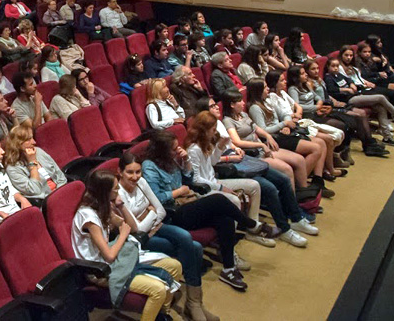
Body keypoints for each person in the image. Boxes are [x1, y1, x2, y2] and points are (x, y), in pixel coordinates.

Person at [141, 130, 270, 291]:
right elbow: (157, 198)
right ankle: (250, 224)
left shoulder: (172, 160)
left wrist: (185, 161)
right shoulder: (149, 166)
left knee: (226, 219)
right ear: (162, 150)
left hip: (188, 202)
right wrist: (178, 192)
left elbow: (189, 180)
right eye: (174, 148)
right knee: (218, 199)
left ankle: (228, 269)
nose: (178, 149)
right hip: (172, 212)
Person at [193, 98, 317, 247]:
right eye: (211, 106)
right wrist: (229, 156)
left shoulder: (217, 123)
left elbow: (230, 144)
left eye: (215, 104)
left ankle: (296, 219)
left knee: (283, 179)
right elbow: (212, 161)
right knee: (269, 188)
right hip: (228, 167)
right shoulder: (204, 133)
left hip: (241, 159)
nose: (216, 107)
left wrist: (235, 148)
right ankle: (285, 229)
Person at [116, 154, 219, 321]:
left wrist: (148, 217)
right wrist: (150, 212)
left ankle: (195, 302)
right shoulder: (117, 193)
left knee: (189, 241)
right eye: (130, 172)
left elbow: (161, 210)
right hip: (141, 239)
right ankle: (192, 304)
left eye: (138, 172)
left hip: (156, 227)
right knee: (194, 248)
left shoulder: (141, 183)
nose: (135, 177)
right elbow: (138, 229)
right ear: (120, 172)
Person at [73, 169, 185, 320]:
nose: (119, 190)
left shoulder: (103, 206)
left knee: (175, 266)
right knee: (158, 290)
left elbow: (132, 227)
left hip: (114, 258)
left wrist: (120, 206)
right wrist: (123, 235)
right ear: (104, 192)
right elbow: (109, 255)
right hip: (100, 269)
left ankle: (161, 315)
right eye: (115, 189)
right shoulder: (88, 216)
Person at [184, 113, 273, 247]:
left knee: (254, 185)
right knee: (234, 200)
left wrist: (220, 146)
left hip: (214, 182)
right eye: (213, 129)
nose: (215, 132)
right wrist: (220, 188)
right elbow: (196, 179)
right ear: (204, 130)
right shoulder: (193, 149)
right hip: (204, 189)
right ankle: (228, 245)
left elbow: (212, 162)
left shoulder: (205, 143)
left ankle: (252, 229)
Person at [248, 76, 333, 196]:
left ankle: (317, 181)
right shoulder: (255, 108)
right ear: (258, 91)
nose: (268, 89)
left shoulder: (267, 100)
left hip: (283, 132)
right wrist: (284, 124)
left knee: (321, 143)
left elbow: (284, 114)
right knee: (315, 148)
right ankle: (301, 187)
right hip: (275, 137)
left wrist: (287, 124)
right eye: (265, 87)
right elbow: (263, 130)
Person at [324, 57, 394, 145]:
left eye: (337, 66)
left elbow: (348, 79)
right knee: (380, 98)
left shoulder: (339, 75)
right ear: (328, 67)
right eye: (333, 66)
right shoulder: (328, 77)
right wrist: (346, 90)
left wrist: (351, 84)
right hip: (348, 99)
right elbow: (331, 90)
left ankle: (387, 137)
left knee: (380, 107)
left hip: (356, 95)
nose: (335, 68)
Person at [338, 46, 394, 122]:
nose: (349, 58)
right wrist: (369, 81)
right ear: (341, 55)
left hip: (369, 84)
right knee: (384, 97)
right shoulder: (340, 67)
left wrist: (368, 82)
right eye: (346, 55)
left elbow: (360, 77)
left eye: (351, 55)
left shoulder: (353, 65)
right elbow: (351, 81)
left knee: (393, 93)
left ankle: (388, 122)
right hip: (360, 90)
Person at [4, 120, 66, 202]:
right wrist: (32, 163)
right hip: (46, 201)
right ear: (17, 144)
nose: (34, 142)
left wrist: (61, 191)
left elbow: (60, 176)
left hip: (61, 191)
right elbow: (35, 190)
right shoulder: (12, 167)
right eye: (28, 140)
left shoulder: (38, 151)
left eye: (32, 138)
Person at [356, 42, 394, 118]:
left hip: (381, 79)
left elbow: (379, 70)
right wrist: (378, 74)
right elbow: (364, 76)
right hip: (375, 82)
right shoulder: (357, 62)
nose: (367, 54)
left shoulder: (371, 60)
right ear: (359, 52)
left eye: (369, 52)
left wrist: (382, 63)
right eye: (365, 52)